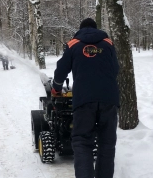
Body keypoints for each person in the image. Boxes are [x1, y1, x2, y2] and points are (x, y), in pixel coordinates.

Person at [51, 18, 120, 178]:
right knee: (107, 143)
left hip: (83, 100)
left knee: (82, 142)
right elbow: (115, 69)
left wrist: (56, 88)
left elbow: (61, 71)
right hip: (109, 99)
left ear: (81, 29)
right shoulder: (108, 43)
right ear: (96, 29)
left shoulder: (73, 44)